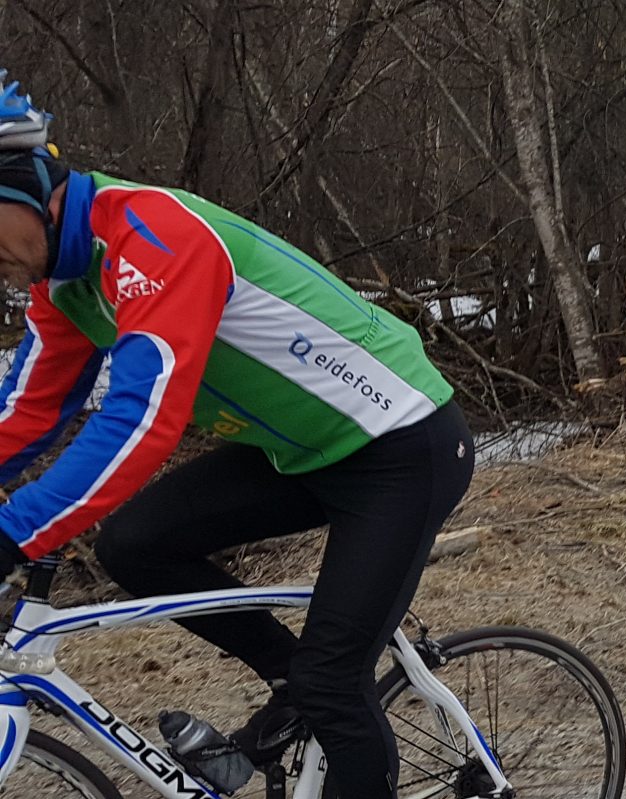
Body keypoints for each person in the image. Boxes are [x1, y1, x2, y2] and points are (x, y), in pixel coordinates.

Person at [0, 75, 471, 798]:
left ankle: (315, 691)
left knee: (334, 684)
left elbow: (142, 418)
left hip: (401, 447)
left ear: (27, 188)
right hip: (302, 452)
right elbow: (26, 414)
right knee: (135, 544)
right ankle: (290, 683)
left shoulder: (153, 236)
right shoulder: (64, 283)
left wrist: (15, 532)